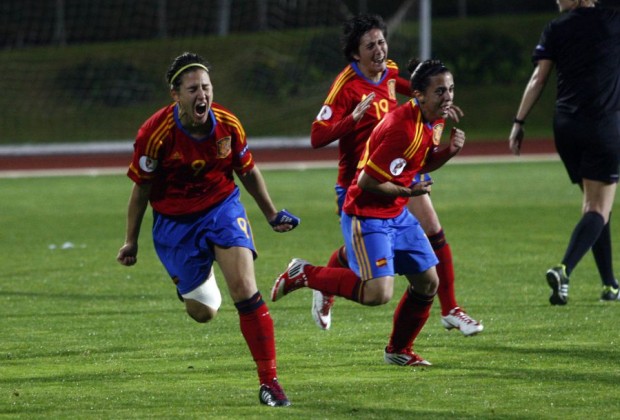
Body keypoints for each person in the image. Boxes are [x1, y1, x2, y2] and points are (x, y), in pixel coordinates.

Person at [116, 52, 300, 407]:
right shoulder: (155, 133)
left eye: (206, 87)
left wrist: (271, 214)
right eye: (192, 89)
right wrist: (130, 241)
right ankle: (192, 284)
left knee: (245, 289)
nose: (202, 95)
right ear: (176, 95)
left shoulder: (228, 124)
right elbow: (141, 190)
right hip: (175, 224)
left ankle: (270, 383)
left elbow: (247, 171)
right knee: (203, 312)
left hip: (221, 208)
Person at [272, 59, 465, 366]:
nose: (448, 97)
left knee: (428, 282)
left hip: (397, 214)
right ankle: (305, 274)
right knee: (377, 294)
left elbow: (418, 164)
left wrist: (449, 152)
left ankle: (398, 350)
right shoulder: (401, 127)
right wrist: (407, 192)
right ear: (419, 95)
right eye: (440, 91)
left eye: (451, 89)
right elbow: (367, 182)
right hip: (367, 214)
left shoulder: (432, 121)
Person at [310, 13, 482, 335]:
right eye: (369, 45)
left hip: (399, 169)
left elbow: (410, 87)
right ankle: (324, 283)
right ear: (355, 54)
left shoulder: (388, 72)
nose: (379, 50)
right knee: (359, 256)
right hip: (359, 180)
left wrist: (438, 96)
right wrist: (353, 119)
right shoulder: (345, 87)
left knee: (433, 228)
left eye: (381, 42)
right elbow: (317, 136)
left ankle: (451, 309)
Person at [508, 0, 620, 304]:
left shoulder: (556, 28)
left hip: (566, 127)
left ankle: (610, 284)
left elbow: (539, 78)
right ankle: (563, 268)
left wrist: (519, 121)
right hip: (603, 126)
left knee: (594, 204)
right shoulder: (612, 19)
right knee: (598, 208)